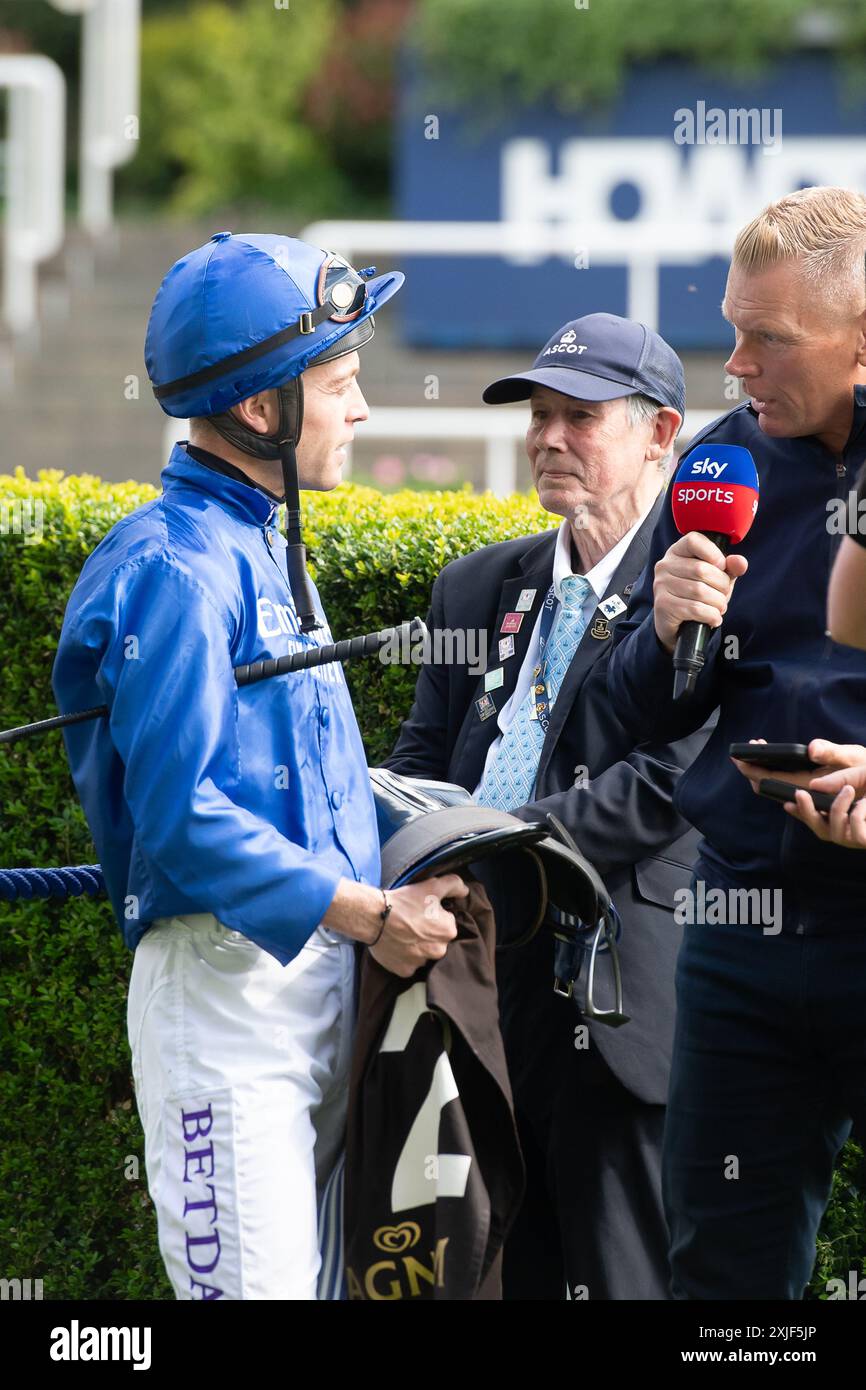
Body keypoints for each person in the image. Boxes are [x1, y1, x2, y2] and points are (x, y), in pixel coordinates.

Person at [51, 232, 467, 1300]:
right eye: (341, 382)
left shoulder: (265, 545)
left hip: (310, 982)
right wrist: (371, 915)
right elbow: (182, 817)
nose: (362, 407)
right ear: (259, 410)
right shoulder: (173, 566)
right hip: (229, 996)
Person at [385, 313, 712, 1299]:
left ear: (659, 434)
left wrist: (503, 849)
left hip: (617, 996)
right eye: (537, 415)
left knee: (625, 1278)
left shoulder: (701, 580)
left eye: (578, 416)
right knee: (492, 1272)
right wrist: (408, 850)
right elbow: (418, 759)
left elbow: (676, 778)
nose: (547, 438)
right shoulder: (474, 585)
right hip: (471, 985)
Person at [606, 185, 866, 1299]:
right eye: (729, 328)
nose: (735, 365)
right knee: (719, 1275)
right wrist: (664, 627)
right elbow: (631, 709)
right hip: (738, 929)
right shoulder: (724, 466)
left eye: (767, 338)